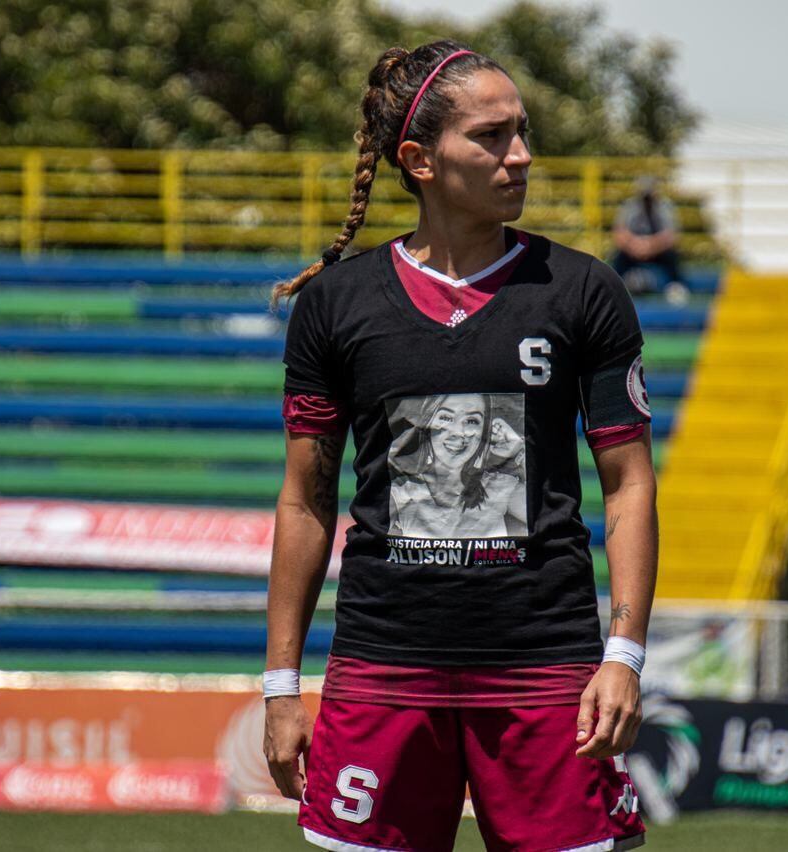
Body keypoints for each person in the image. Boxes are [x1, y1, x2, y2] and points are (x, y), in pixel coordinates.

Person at [263, 40, 658, 852]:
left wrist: (624, 655)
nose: (521, 155)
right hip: (382, 669)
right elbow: (304, 502)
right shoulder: (336, 306)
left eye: (522, 131)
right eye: (490, 136)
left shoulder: (585, 291)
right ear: (419, 159)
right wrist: (280, 686)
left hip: (547, 671)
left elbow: (629, 487)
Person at [387, 392, 525, 538]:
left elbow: (540, 515)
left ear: (484, 431)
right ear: (427, 426)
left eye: (471, 421)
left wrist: (519, 451)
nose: (459, 432)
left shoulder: (498, 486)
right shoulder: (401, 491)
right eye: (446, 418)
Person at [610, 175, 686, 299]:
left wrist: (650, 246)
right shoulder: (629, 206)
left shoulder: (665, 206)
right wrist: (635, 245)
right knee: (618, 257)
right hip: (633, 249)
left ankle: (676, 286)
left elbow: (671, 235)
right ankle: (613, 287)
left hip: (657, 250)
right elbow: (619, 233)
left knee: (671, 255)